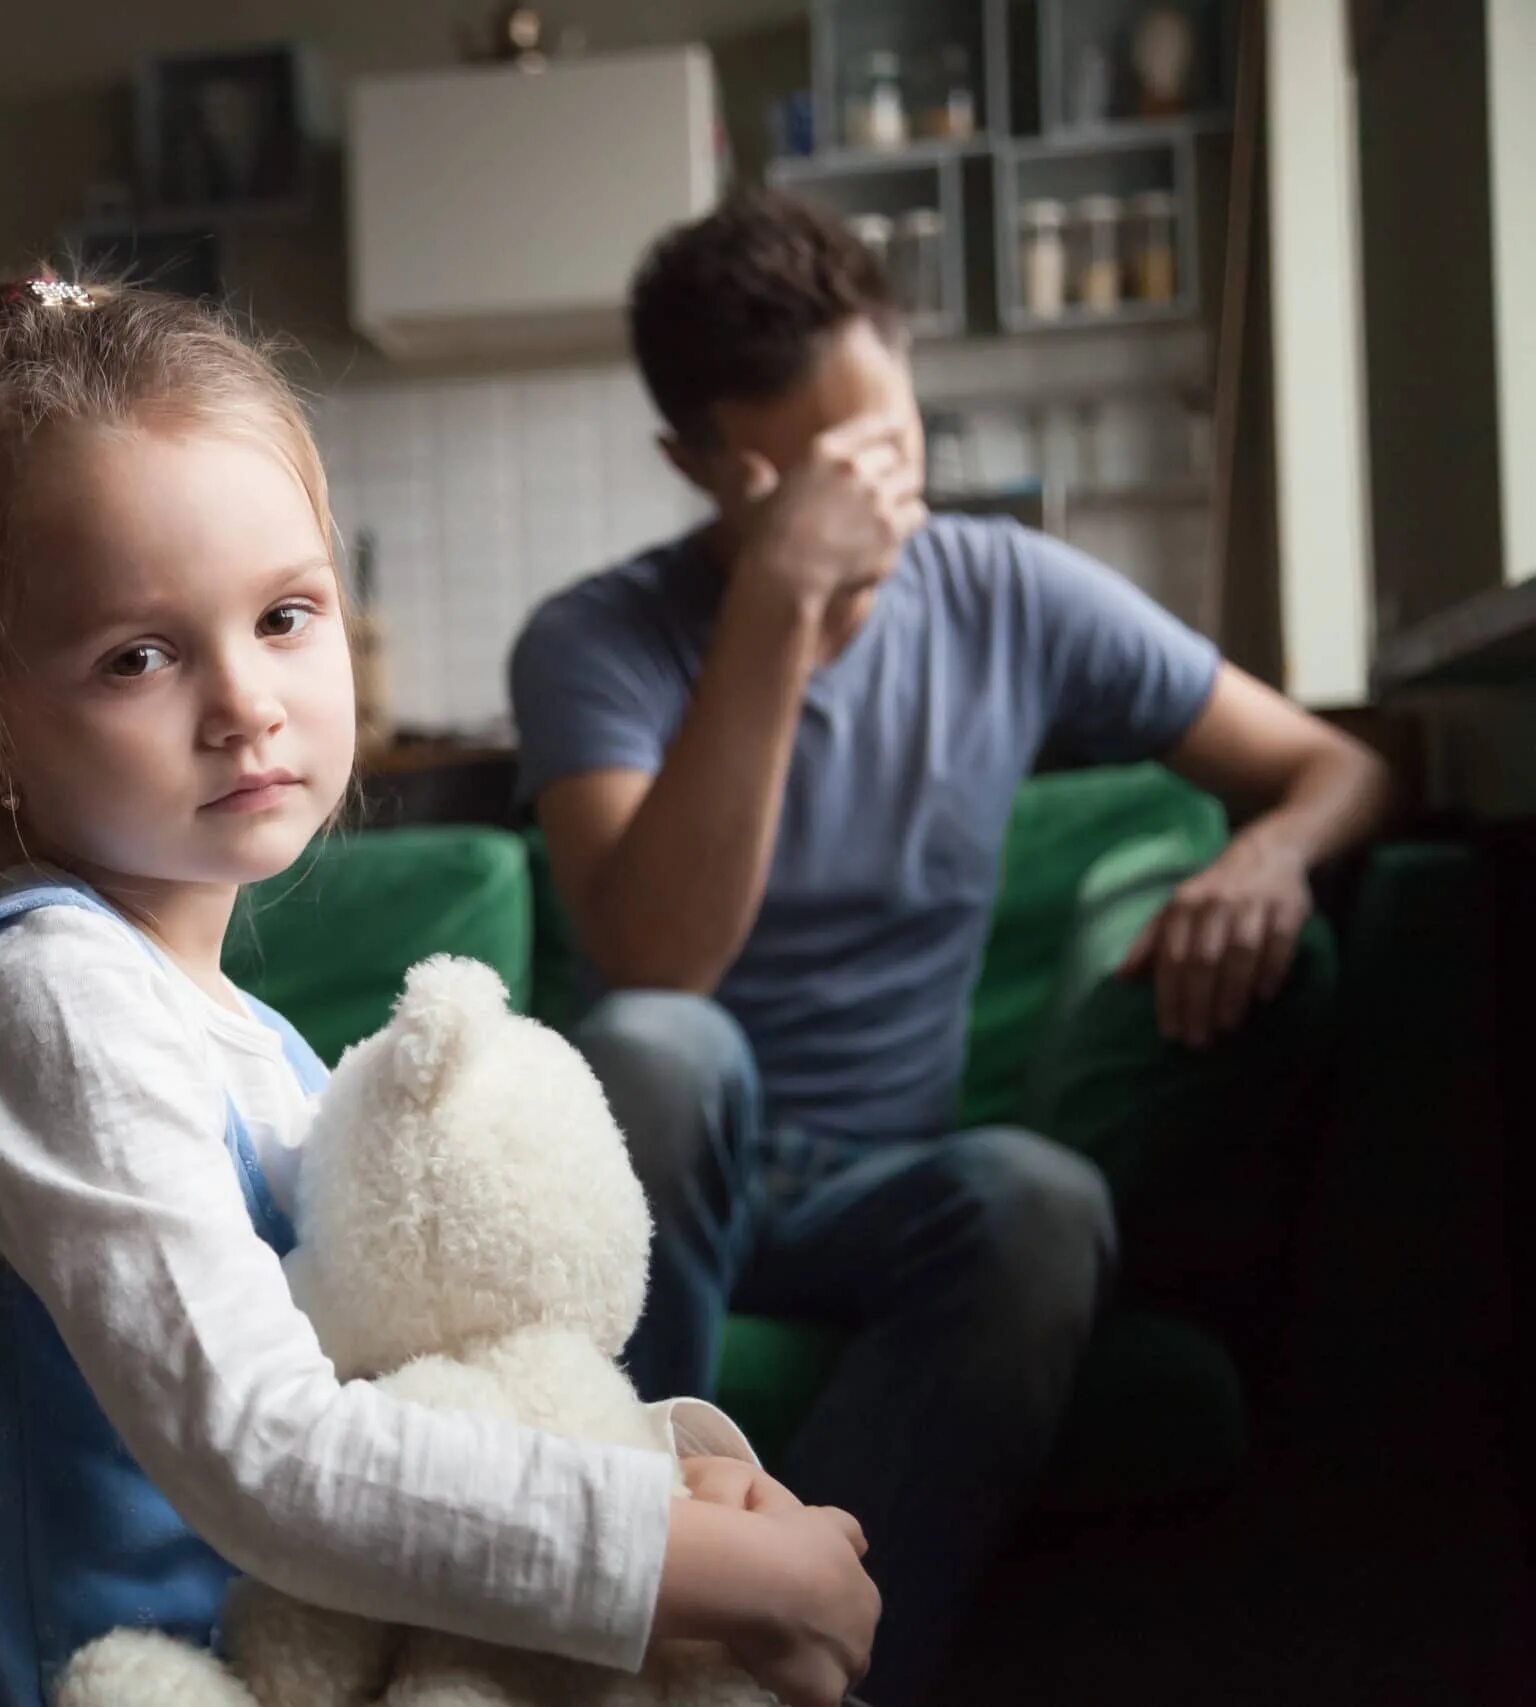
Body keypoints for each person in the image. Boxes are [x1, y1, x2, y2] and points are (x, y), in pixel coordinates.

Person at [0, 276, 881, 1707]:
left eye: (285, 615)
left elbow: (400, 1391)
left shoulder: (252, 1047)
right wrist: (711, 1569)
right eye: (139, 655)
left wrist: (678, 1477)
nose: (244, 699)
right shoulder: (41, 1001)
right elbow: (270, 1452)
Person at [509, 189, 1394, 1707]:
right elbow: (660, 960)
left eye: (891, 455)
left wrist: (1268, 849)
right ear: (697, 466)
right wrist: (779, 601)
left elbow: (1344, 767)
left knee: (1040, 1199)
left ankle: (793, 1681)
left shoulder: (1008, 596)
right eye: (808, 477)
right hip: (667, 1169)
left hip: (880, 1179)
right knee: (663, 1045)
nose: (865, 509)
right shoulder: (595, 640)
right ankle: (622, 1609)